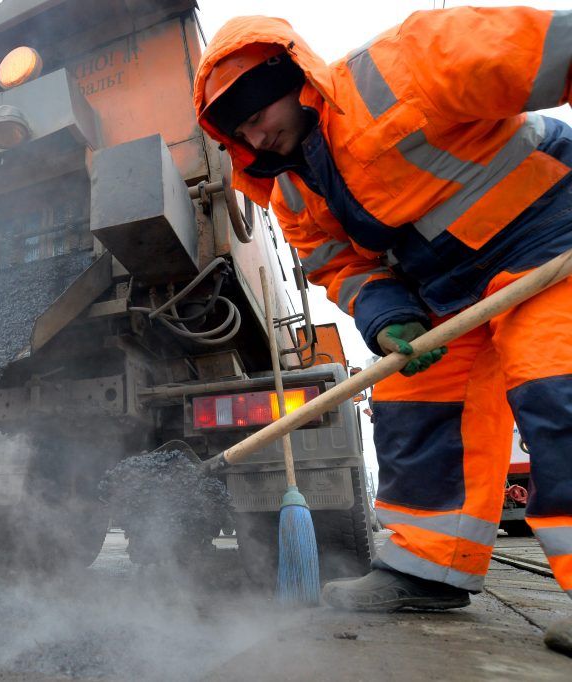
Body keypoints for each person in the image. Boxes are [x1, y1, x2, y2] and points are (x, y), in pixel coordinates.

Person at [193, 6, 572, 654]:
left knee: (554, 387)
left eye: (258, 115)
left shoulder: (400, 69)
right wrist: (387, 316)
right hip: (446, 295)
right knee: (412, 402)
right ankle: (428, 570)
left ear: (292, 80)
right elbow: (340, 266)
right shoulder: (287, 194)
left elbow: (548, 49)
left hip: (544, 244)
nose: (256, 138)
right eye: (242, 132)